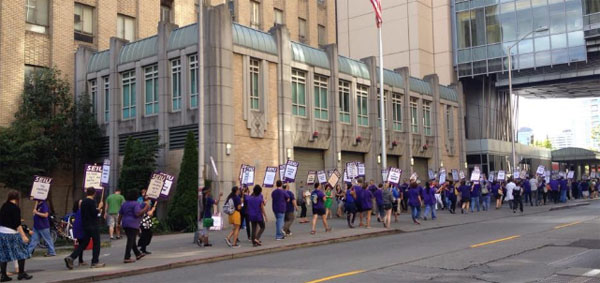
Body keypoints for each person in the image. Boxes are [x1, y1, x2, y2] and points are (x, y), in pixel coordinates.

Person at [65, 187, 104, 269]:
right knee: (96, 243)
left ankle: (71, 257)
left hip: (86, 225)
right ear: (94, 193)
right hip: (93, 225)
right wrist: (99, 208)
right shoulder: (92, 201)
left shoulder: (83, 202)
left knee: (84, 243)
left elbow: (87, 212)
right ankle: (94, 262)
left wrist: (96, 209)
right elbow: (94, 213)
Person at [0, 190, 33, 281]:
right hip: (12, 233)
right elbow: (17, 224)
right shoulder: (15, 208)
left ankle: (3, 275)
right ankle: (21, 273)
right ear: (17, 198)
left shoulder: (4, 206)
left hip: (2, 233)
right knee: (22, 252)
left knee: (3, 254)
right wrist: (24, 236)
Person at [119, 190, 149, 263]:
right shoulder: (135, 204)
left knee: (131, 239)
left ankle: (137, 254)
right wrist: (145, 208)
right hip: (133, 223)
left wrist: (118, 223)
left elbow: (120, 214)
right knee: (131, 240)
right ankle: (127, 257)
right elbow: (137, 213)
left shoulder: (124, 204)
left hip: (125, 223)